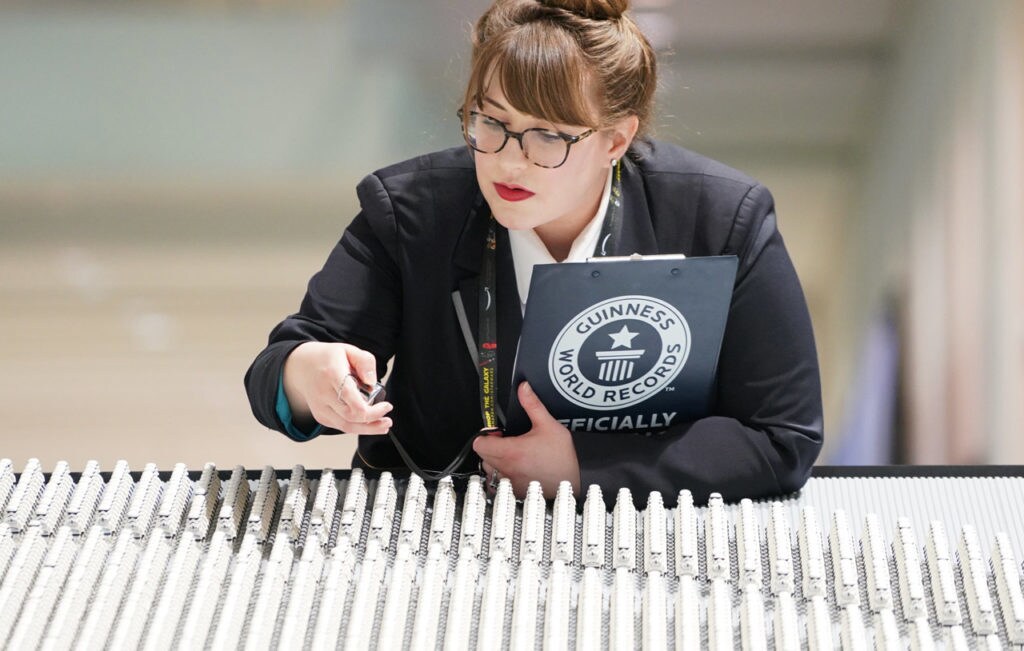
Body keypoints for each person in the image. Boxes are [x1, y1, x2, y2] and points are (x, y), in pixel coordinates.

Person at [245, 0, 823, 505]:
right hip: (431, 533)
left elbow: (781, 435)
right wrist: (307, 377)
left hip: (642, 543)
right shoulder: (410, 213)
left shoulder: (720, 219)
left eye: (548, 135)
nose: (507, 161)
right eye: (490, 123)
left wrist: (583, 469)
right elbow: (277, 370)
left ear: (615, 140)